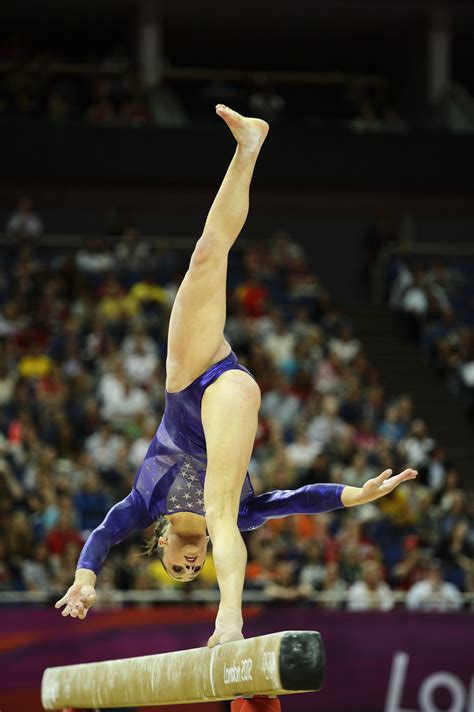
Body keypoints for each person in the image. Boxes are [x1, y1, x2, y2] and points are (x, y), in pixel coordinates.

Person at [55, 105, 417, 646]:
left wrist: (85, 578)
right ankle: (230, 621)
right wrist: (354, 496)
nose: (187, 564)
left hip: (193, 374)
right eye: (190, 573)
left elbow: (103, 535)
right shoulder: (243, 517)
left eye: (177, 566)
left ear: (160, 545)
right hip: (230, 394)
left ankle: (248, 146)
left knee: (207, 254)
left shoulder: (146, 501)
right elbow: (297, 499)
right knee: (223, 511)